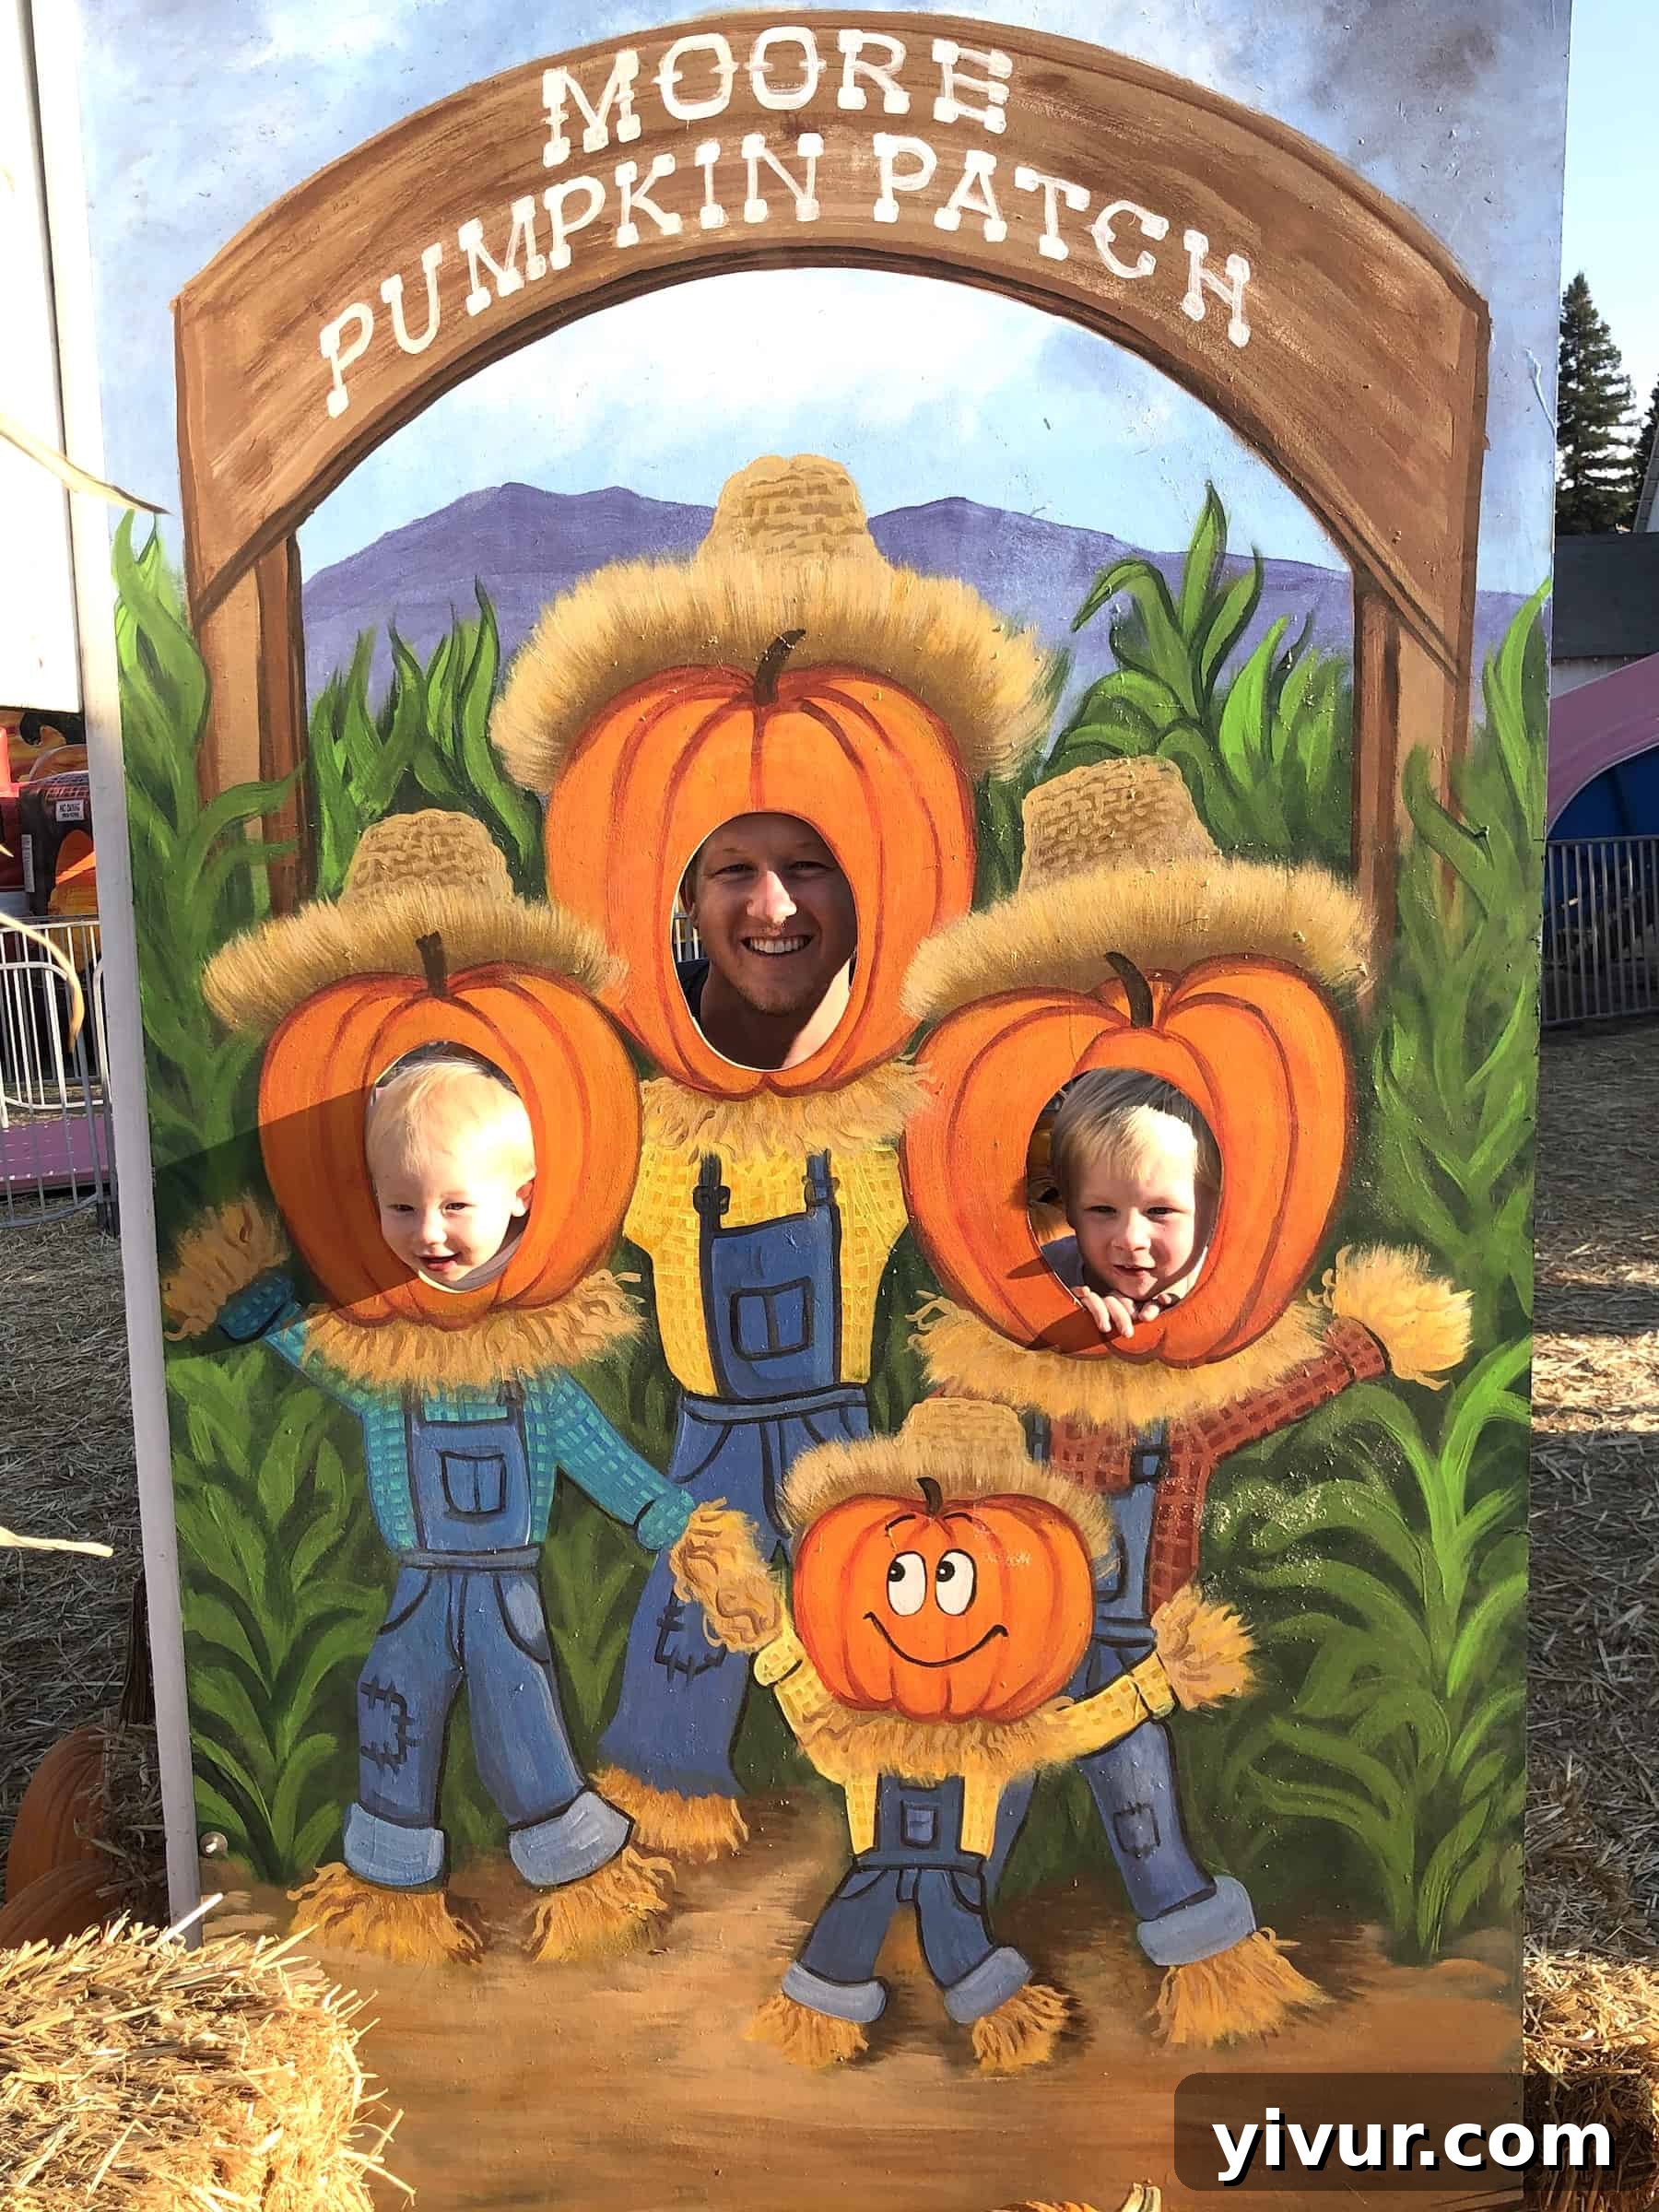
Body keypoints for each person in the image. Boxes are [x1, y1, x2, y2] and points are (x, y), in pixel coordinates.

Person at [1041, 1069, 1219, 1340]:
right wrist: (1066, 1323)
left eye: (1160, 1211)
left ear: (1217, 1209)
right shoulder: (1043, 1276)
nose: (1130, 1239)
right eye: (1103, 1209)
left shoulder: (1235, 1290)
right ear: (1069, 1209)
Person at [675, 812, 857, 1070]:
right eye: (735, 868)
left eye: (807, 864)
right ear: (691, 899)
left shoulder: (926, 1058)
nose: (773, 911)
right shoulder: (617, 1038)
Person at [366, 1053, 535, 1291]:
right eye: (403, 1208)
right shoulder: (366, 1264)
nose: (428, 1234)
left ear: (520, 1196)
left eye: (455, 1206)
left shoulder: (549, 1263)